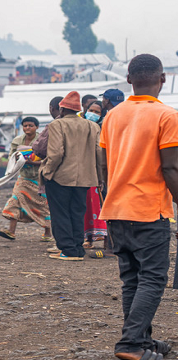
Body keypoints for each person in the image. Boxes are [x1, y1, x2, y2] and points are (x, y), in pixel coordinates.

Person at [99, 54, 178, 360]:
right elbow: (171, 167)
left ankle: (141, 339)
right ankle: (131, 343)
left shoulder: (113, 116)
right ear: (162, 79)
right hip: (148, 210)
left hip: (116, 209)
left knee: (133, 279)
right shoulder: (167, 116)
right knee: (153, 279)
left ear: (129, 80)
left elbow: (105, 167)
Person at [40, 91, 101, 261]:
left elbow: (56, 154)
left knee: (60, 214)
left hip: (60, 176)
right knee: (77, 212)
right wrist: (99, 176)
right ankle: (77, 248)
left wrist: (47, 172)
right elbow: (99, 153)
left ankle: (68, 250)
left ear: (62, 109)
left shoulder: (57, 125)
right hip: (85, 178)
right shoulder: (92, 126)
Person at [0, 117, 52, 241]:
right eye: (25, 125)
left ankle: (47, 233)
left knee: (42, 205)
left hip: (39, 178)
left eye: (31, 126)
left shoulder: (42, 140)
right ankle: (11, 231)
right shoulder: (17, 140)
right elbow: (11, 156)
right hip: (23, 176)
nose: (28, 128)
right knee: (16, 200)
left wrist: (33, 162)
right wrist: (18, 159)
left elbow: (48, 159)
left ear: (37, 127)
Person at [82, 102, 109, 253]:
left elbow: (100, 153)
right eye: (90, 110)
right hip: (85, 173)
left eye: (96, 111)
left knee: (101, 206)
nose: (92, 113)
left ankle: (106, 241)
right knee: (86, 208)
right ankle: (88, 239)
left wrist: (101, 176)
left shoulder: (102, 129)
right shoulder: (82, 126)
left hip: (98, 173)